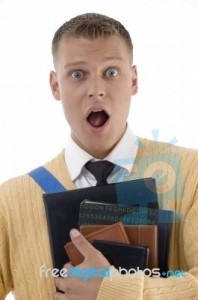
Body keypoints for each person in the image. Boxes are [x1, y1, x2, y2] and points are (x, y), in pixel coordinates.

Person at [0, 12, 198, 300]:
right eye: (78, 74)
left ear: (133, 80)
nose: (96, 91)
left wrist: (113, 291)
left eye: (111, 72)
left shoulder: (191, 175)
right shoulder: (10, 202)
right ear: (56, 86)